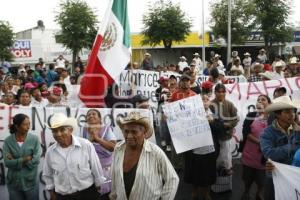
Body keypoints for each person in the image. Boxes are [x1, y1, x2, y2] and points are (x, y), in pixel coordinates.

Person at [110, 111, 179, 199]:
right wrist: (113, 196)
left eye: (134, 132)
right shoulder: (118, 148)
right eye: (126, 131)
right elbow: (115, 176)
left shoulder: (155, 152)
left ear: (144, 133)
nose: (129, 136)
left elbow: (172, 179)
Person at [43, 113, 105, 200]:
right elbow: (47, 174)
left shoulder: (86, 145)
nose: (58, 134)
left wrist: (98, 186)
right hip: (63, 196)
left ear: (70, 130)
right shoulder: (50, 152)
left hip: (87, 194)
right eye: (55, 131)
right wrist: (51, 192)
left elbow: (96, 167)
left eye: (62, 130)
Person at [260, 95, 300, 200]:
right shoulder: (267, 133)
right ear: (278, 114)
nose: (292, 115)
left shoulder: (298, 130)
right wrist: (294, 145)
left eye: (293, 111)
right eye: (287, 112)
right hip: (275, 176)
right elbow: (269, 153)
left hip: (296, 175)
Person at [184, 94, 223, 200]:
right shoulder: (191, 114)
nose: (205, 101)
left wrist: (212, 122)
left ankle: (206, 193)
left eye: (207, 100)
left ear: (210, 102)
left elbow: (220, 129)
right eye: (202, 99)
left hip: (209, 150)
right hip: (194, 150)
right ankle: (194, 192)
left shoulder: (214, 115)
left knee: (208, 172)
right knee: (194, 172)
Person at [3, 113, 41, 200]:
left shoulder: (34, 139)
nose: (28, 127)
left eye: (29, 124)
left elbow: (36, 160)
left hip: (31, 182)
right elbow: (7, 163)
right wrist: (25, 158)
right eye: (25, 124)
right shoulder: (8, 141)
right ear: (17, 126)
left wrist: (16, 161)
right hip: (14, 183)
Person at [241, 95, 271, 200]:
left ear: (269, 104)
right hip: (250, 154)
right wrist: (260, 142)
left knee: (262, 179)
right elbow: (246, 132)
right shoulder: (251, 115)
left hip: (264, 156)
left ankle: (259, 193)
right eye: (258, 100)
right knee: (247, 177)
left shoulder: (272, 118)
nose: (260, 101)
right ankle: (246, 192)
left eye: (263, 100)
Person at [83, 109, 116, 199]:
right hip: (89, 172)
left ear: (100, 119)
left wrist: (97, 139)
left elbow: (113, 147)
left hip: (106, 171)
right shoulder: (84, 131)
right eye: (88, 115)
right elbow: (81, 151)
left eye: (93, 114)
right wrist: (91, 138)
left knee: (106, 196)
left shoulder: (107, 129)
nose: (90, 116)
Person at [210, 83, 239, 175]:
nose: (221, 94)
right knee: (215, 154)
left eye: (223, 92)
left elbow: (236, 118)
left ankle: (227, 168)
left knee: (226, 153)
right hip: (214, 135)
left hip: (226, 134)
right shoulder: (210, 105)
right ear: (215, 92)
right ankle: (216, 169)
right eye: (218, 92)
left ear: (225, 93)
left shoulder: (229, 104)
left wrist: (229, 125)